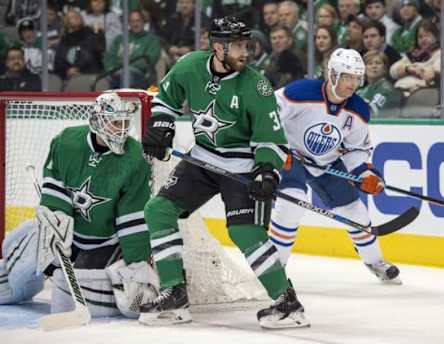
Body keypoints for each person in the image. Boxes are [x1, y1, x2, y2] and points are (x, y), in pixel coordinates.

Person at [139, 16, 309, 329]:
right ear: (217, 48)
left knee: (245, 231)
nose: (245, 51)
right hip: (202, 160)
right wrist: (160, 124)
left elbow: (271, 136)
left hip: (242, 166)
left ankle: (286, 302)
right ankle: (174, 292)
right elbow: (166, 98)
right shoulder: (189, 65)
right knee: (158, 209)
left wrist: (267, 170)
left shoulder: (256, 84)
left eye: (247, 44)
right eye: (238, 45)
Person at [0, 92, 159, 319]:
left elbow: (131, 217)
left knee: (67, 293)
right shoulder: (67, 141)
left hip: (103, 245)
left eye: (125, 122)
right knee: (32, 242)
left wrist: (136, 262)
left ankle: (78, 280)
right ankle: (18, 281)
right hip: (68, 236)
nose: (122, 129)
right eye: (115, 123)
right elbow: (55, 188)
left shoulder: (134, 158)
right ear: (97, 121)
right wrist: (56, 219)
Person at [269, 48, 402, 284]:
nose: (353, 84)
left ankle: (375, 261)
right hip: (292, 156)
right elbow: (267, 115)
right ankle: (274, 272)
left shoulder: (359, 109)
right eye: (348, 77)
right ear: (332, 74)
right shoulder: (299, 92)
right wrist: (276, 148)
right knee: (291, 204)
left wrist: (366, 174)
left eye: (357, 78)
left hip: (327, 162)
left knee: (355, 210)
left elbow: (355, 150)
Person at [357, 51, 402, 117]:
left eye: (378, 63)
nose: (374, 66)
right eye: (370, 63)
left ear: (385, 69)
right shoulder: (360, 91)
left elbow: (371, 113)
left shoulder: (387, 89)